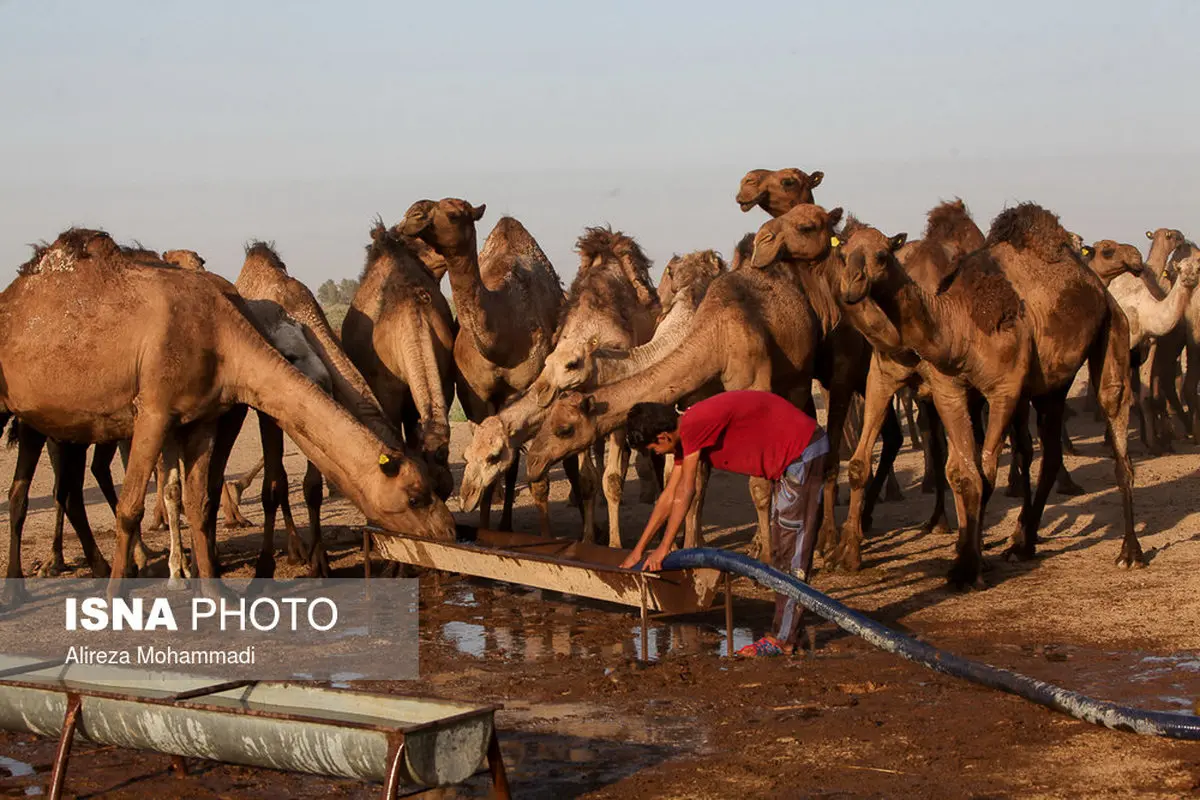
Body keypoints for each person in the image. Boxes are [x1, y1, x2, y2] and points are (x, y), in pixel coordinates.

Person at [619, 390, 828, 657]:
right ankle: (788, 634)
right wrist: (639, 549)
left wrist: (665, 547)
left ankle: (783, 639)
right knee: (781, 550)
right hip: (788, 459)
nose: (658, 454)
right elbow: (668, 497)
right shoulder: (687, 433)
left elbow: (687, 492)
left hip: (802, 452)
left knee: (792, 551)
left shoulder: (693, 425)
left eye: (654, 449)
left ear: (663, 436)